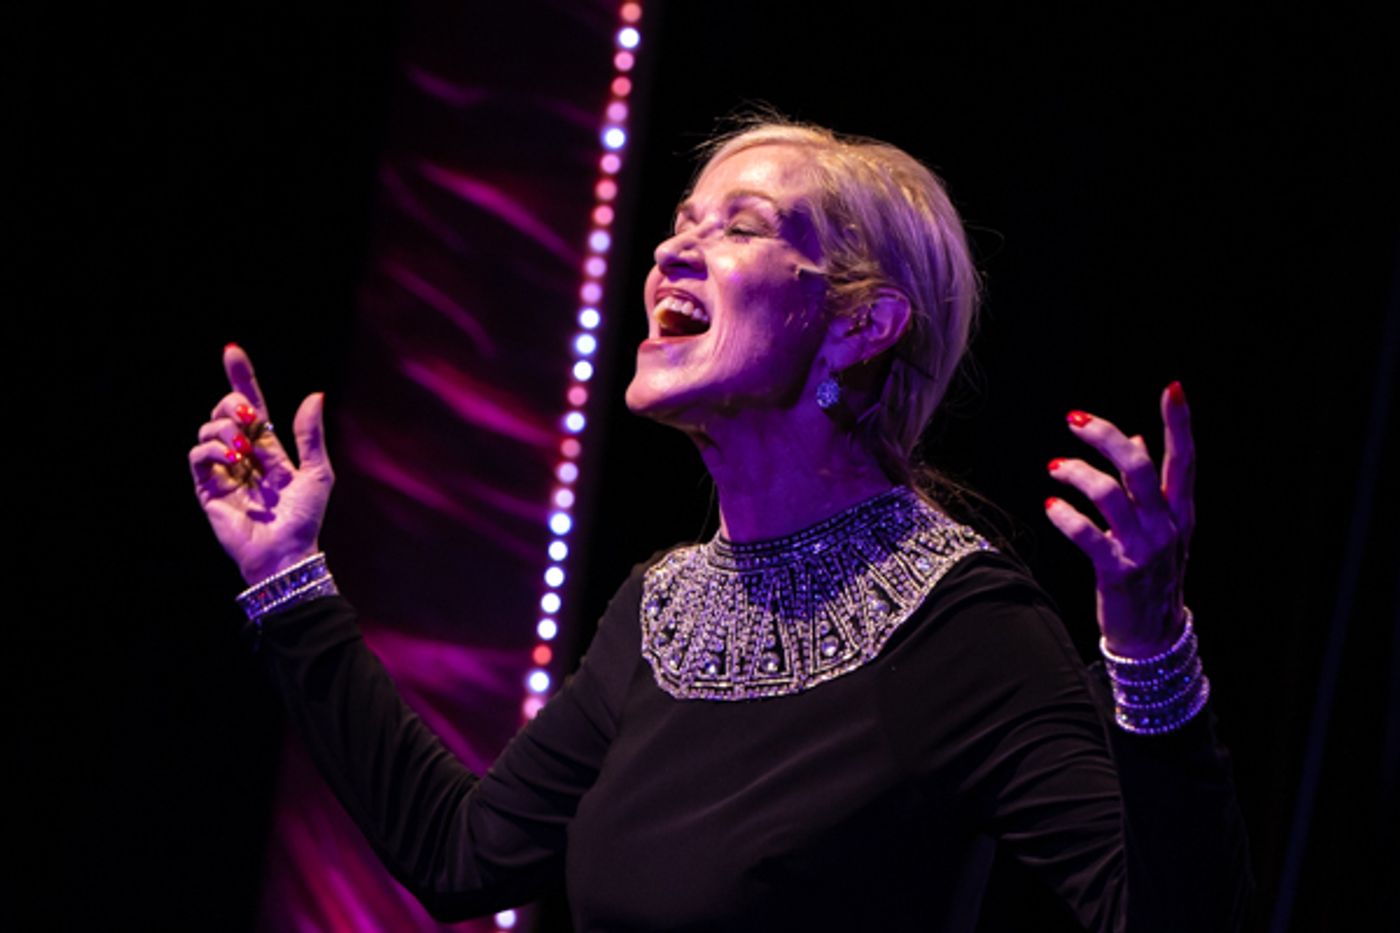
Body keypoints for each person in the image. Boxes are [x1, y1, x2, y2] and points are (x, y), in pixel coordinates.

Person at [190, 121, 1250, 931]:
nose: (671, 253)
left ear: (858, 323)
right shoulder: (659, 609)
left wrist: (1148, 649)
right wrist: (291, 584)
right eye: (682, 223)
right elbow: (459, 852)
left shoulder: (964, 629)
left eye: (736, 227)